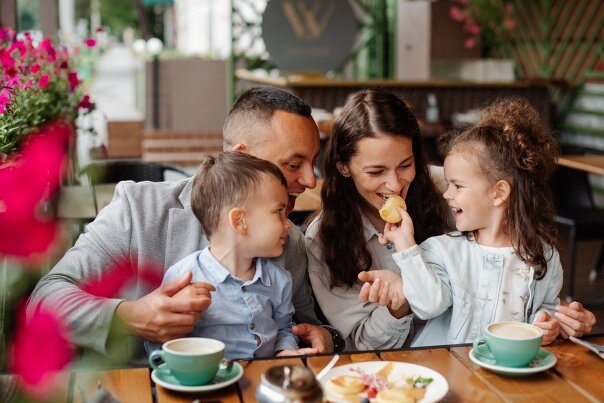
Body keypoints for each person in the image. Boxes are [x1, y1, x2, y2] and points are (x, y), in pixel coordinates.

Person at [27, 86, 340, 364]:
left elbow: (303, 326)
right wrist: (131, 317)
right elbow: (44, 302)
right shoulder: (138, 209)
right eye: (293, 164)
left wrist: (324, 338)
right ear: (242, 157)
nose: (311, 180)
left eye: (313, 163)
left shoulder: (291, 242)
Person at [360, 97, 597, 345]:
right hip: (447, 370)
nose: (446, 193)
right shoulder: (442, 250)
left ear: (499, 193)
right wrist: (406, 245)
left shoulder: (545, 257)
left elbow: (544, 311)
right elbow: (428, 305)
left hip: (505, 373)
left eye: (457, 186)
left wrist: (549, 325)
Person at [305, 89, 451, 351]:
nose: (395, 184)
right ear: (343, 167)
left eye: (405, 165)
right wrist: (399, 305)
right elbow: (359, 343)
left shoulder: (451, 191)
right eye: (376, 171)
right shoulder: (324, 238)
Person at [146, 152, 318, 358]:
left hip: (262, 380)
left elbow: (283, 328)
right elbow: (159, 340)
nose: (288, 223)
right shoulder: (183, 278)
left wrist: (285, 351)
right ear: (239, 221)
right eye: (278, 211)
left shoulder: (279, 279)